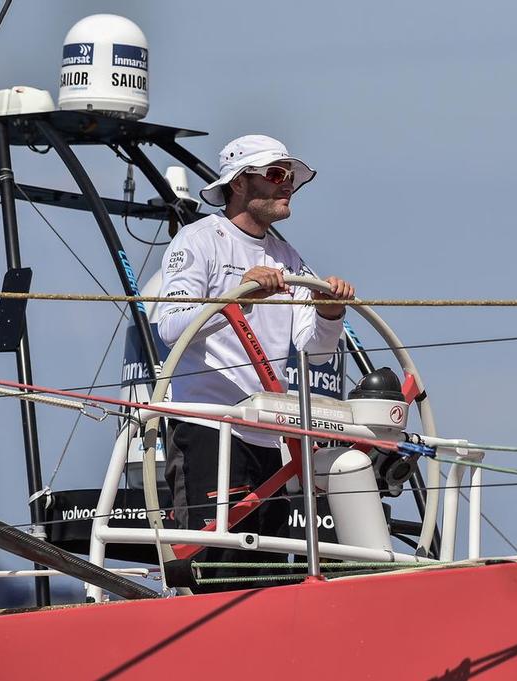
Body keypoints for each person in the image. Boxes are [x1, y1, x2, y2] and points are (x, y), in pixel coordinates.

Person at [157, 134, 353, 589]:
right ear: (240, 183)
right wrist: (237, 298)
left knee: (267, 575)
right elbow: (170, 327)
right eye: (275, 175)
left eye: (290, 177)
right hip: (210, 431)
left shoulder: (288, 258)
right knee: (218, 571)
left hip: (268, 439)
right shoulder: (199, 241)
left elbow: (315, 349)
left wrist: (330, 312)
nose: (287, 185)